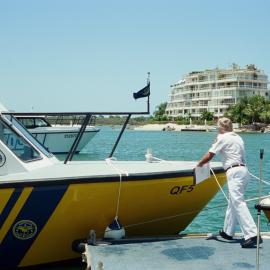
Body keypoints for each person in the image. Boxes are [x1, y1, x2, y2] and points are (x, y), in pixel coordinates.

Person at [197, 117, 262, 248]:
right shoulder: (238, 137)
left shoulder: (222, 137)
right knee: (233, 201)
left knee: (237, 202)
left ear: (221, 128)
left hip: (234, 172)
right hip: (244, 171)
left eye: (217, 127)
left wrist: (198, 165)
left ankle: (252, 234)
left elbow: (210, 155)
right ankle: (228, 231)